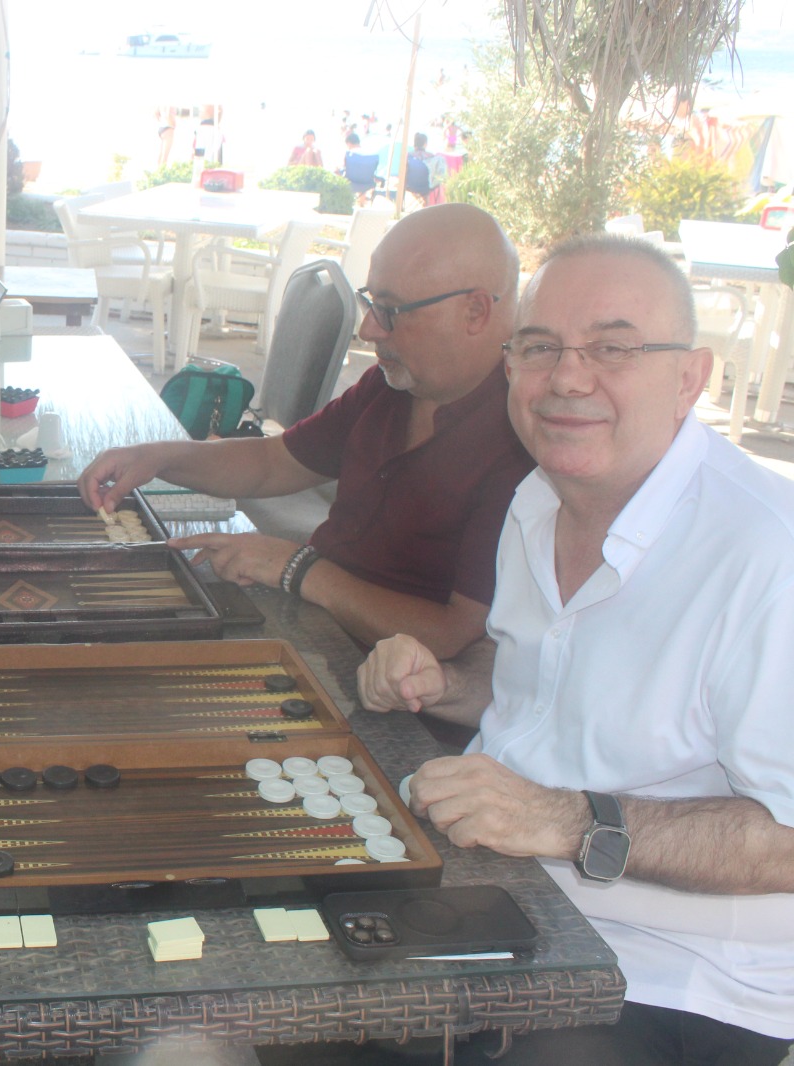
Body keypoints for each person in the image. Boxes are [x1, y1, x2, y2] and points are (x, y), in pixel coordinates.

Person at [358, 234, 794, 1064]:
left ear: (690, 378)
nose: (567, 378)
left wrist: (563, 820)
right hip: (499, 898)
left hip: (674, 975)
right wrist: (445, 683)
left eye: (613, 349)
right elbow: (540, 680)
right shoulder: (538, 496)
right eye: (539, 347)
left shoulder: (770, 555)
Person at [79, 203, 532, 661]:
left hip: (383, 677)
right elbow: (274, 462)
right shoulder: (394, 382)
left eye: (390, 310)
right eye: (370, 302)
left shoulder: (525, 440)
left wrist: (299, 569)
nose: (368, 329)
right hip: (311, 621)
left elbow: (456, 636)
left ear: (475, 311)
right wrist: (158, 457)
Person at [404, 130, 435, 205]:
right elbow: (433, 173)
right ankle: (427, 207)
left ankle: (402, 205)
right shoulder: (431, 156)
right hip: (425, 187)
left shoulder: (409, 155)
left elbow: (405, 171)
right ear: (425, 144)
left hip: (410, 185)